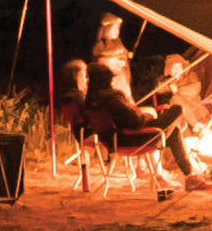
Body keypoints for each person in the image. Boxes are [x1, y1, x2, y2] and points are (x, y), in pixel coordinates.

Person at [87, 57, 204, 185]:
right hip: (134, 137)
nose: (112, 82)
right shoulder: (111, 98)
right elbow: (134, 120)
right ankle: (187, 175)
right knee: (177, 109)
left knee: (174, 131)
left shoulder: (92, 99)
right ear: (104, 80)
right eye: (110, 79)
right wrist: (147, 117)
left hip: (122, 136)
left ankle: (189, 176)